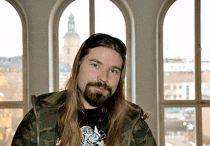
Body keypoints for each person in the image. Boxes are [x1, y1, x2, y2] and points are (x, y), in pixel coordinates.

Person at [11, 33, 157, 146]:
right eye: (95, 65)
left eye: (113, 71)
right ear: (78, 64)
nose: (103, 78)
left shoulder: (134, 124)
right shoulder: (40, 117)